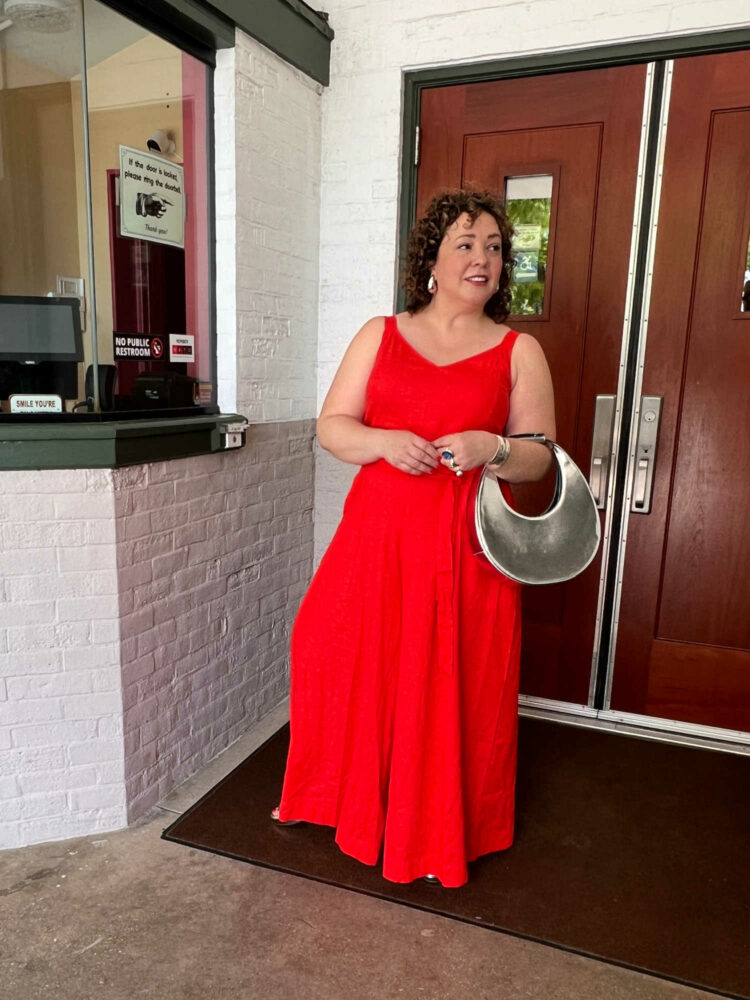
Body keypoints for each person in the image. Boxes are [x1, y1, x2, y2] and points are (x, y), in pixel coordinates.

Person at [272, 188, 555, 888]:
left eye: (494, 247)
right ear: (430, 259)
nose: (482, 258)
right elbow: (331, 425)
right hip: (379, 540)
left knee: (451, 682)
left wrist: (493, 445)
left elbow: (541, 455)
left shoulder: (521, 352)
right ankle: (342, 802)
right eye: (465, 243)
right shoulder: (381, 334)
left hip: (467, 549)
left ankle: (433, 832)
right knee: (334, 651)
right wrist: (382, 440)